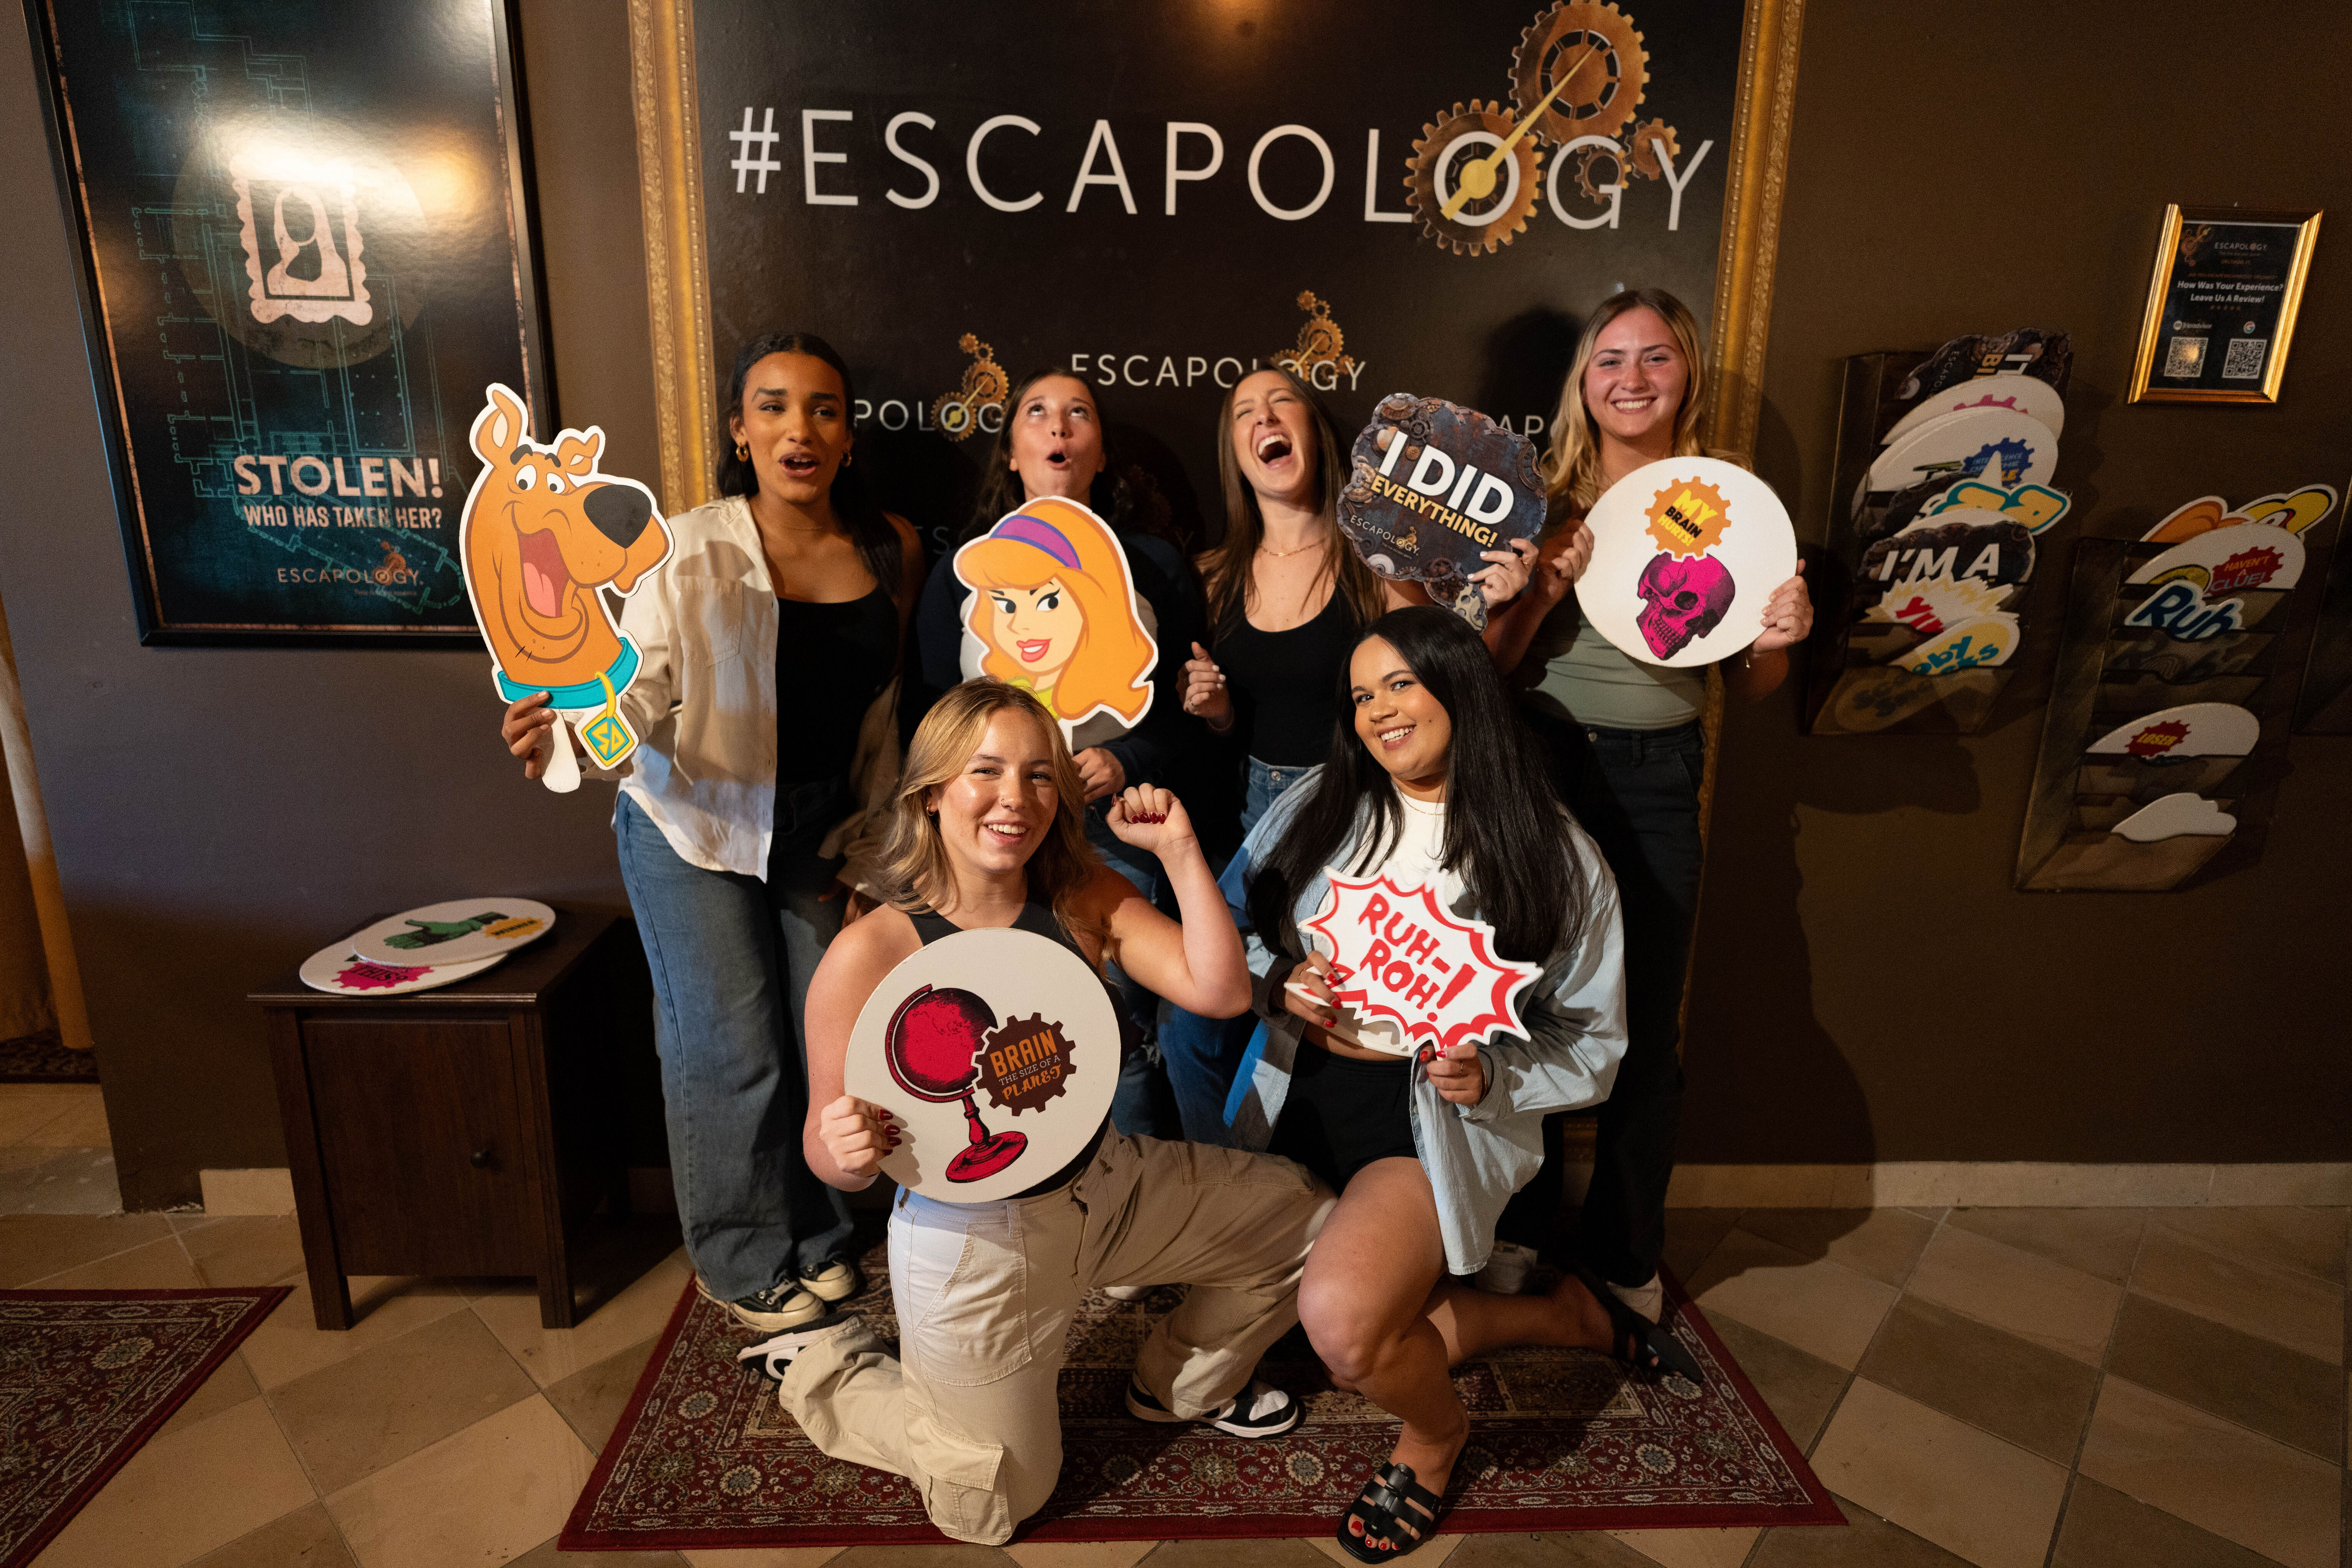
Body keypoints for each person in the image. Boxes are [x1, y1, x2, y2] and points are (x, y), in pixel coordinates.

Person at [757, 680, 1335, 1546]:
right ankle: (826, 1368)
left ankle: (1176, 1384)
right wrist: (844, 1149)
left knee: (1306, 1217)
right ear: (931, 792)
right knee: (992, 1507)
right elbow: (826, 1154)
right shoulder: (870, 950)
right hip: (972, 1239)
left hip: (1101, 1181)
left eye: (1037, 776)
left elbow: (1215, 990)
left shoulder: (1081, 894)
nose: (1013, 799)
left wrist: (1180, 851)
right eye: (983, 771)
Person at [1225, 605, 1691, 1560]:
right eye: (1360, 695)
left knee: (1345, 1329)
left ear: (1460, 688)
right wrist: (1277, 977)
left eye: (1400, 683)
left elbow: (1595, 1045)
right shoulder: (1318, 803)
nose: (1378, 711)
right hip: (1293, 1093)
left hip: (1427, 1121)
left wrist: (1494, 1070)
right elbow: (1223, 927)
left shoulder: (1554, 856)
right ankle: (1559, 1315)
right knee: (1250, 1314)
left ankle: (1433, 1439)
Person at [499, 331, 923, 1334]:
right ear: (739, 429)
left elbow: (884, 719)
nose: (799, 428)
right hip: (694, 831)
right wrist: (565, 733)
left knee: (827, 1046)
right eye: (772, 406)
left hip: (820, 840)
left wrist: (877, 856)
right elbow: (635, 692)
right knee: (730, 1052)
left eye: (822, 408)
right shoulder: (687, 545)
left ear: (847, 435)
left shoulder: (886, 550)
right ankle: (742, 1262)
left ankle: (818, 1237)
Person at [1480, 288, 1814, 1313]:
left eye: (1654, 358)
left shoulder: (1731, 506)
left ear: (1686, 375)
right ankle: (1521, 1235)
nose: (1631, 377)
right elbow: (1486, 670)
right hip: (1543, 766)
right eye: (1609, 359)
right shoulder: (1543, 503)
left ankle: (1624, 1251)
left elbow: (1748, 687)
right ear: (1583, 383)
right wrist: (1540, 586)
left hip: (1664, 775)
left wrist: (1776, 644)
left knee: (1645, 1022)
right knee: (1525, 1006)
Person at [1163, 366, 1541, 1144]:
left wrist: (1510, 608)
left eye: (1283, 402)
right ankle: (1219, 1185)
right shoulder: (1212, 577)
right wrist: (1215, 710)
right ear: (1235, 451)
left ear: (1316, 431)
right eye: (1244, 412)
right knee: (1196, 1016)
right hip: (1250, 820)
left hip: (1350, 815)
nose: (1265, 418)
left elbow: (1439, 685)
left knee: (1297, 1019)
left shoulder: (1374, 567)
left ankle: (1278, 1192)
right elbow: (1221, 730)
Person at [912, 369, 1201, 1141]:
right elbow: (937, 712)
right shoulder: (961, 571)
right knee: (1006, 1020)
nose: (1058, 426)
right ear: (1011, 451)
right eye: (1036, 412)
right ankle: (1022, 1174)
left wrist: (1126, 760)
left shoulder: (1154, 565)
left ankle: (1132, 1202)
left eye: (1079, 413)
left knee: (1114, 1020)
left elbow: (1183, 716)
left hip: (1108, 828)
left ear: (1099, 452)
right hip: (994, 833)